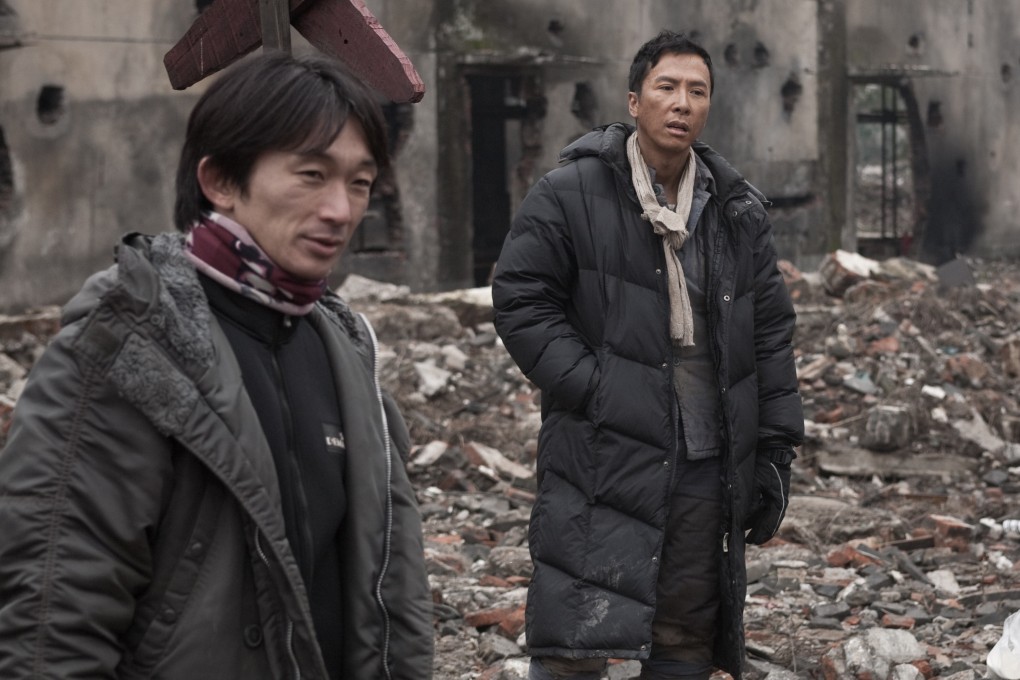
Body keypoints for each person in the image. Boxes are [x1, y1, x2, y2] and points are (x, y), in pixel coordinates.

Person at [0, 52, 433, 680]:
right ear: (220, 181)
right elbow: (54, 616)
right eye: (311, 175)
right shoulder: (127, 344)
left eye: (359, 183)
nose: (340, 210)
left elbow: (393, 590)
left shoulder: (345, 350)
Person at [491, 30, 805, 680]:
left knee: (683, 635)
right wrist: (596, 386)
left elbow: (768, 332)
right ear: (634, 101)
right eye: (667, 87)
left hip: (702, 457)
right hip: (599, 452)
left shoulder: (733, 210)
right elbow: (521, 296)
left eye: (697, 91)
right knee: (576, 632)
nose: (681, 103)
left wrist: (774, 451)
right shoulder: (571, 191)